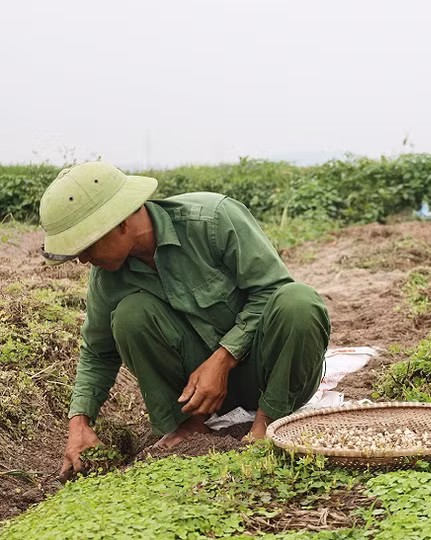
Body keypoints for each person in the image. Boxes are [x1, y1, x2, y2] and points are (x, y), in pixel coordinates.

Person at [39, 162, 330, 479]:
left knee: (300, 301)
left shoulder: (214, 220)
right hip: (198, 397)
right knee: (130, 314)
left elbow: (271, 290)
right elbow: (98, 352)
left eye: (87, 246)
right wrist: (79, 423)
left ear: (121, 222)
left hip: (270, 374)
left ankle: (267, 421)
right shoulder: (106, 279)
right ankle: (189, 424)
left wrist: (223, 359)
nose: (83, 259)